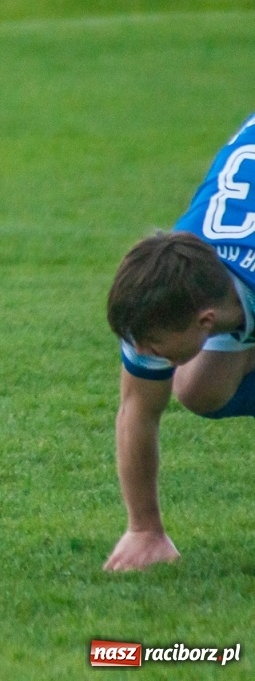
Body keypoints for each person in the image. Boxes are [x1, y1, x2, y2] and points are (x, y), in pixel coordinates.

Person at [103, 113, 255, 572]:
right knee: (200, 388)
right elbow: (138, 409)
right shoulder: (170, 278)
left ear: (205, 320)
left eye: (153, 345)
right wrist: (144, 529)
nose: (146, 355)